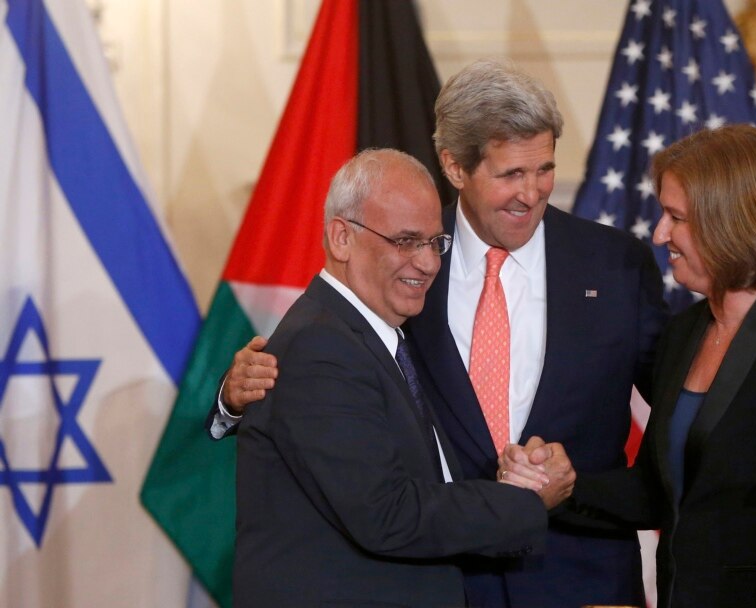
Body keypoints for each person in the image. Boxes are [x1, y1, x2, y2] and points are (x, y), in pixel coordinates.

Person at [211, 60, 669, 608]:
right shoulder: (403, 263)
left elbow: (678, 414)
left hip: (583, 576)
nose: (532, 193)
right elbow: (337, 390)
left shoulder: (614, 265)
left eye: (543, 169)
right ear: (454, 166)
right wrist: (233, 400)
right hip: (444, 577)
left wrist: (594, 496)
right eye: (509, 175)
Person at [501, 125, 756, 607]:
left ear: (731, 222)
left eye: (676, 217)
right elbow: (659, 492)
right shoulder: (685, 332)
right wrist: (561, 483)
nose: (659, 235)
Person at [232, 149, 575, 607]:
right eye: (406, 241)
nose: (429, 263)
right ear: (341, 239)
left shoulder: (374, 334)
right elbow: (388, 515)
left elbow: (421, 479)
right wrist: (528, 501)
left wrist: (516, 476)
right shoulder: (322, 348)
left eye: (435, 242)